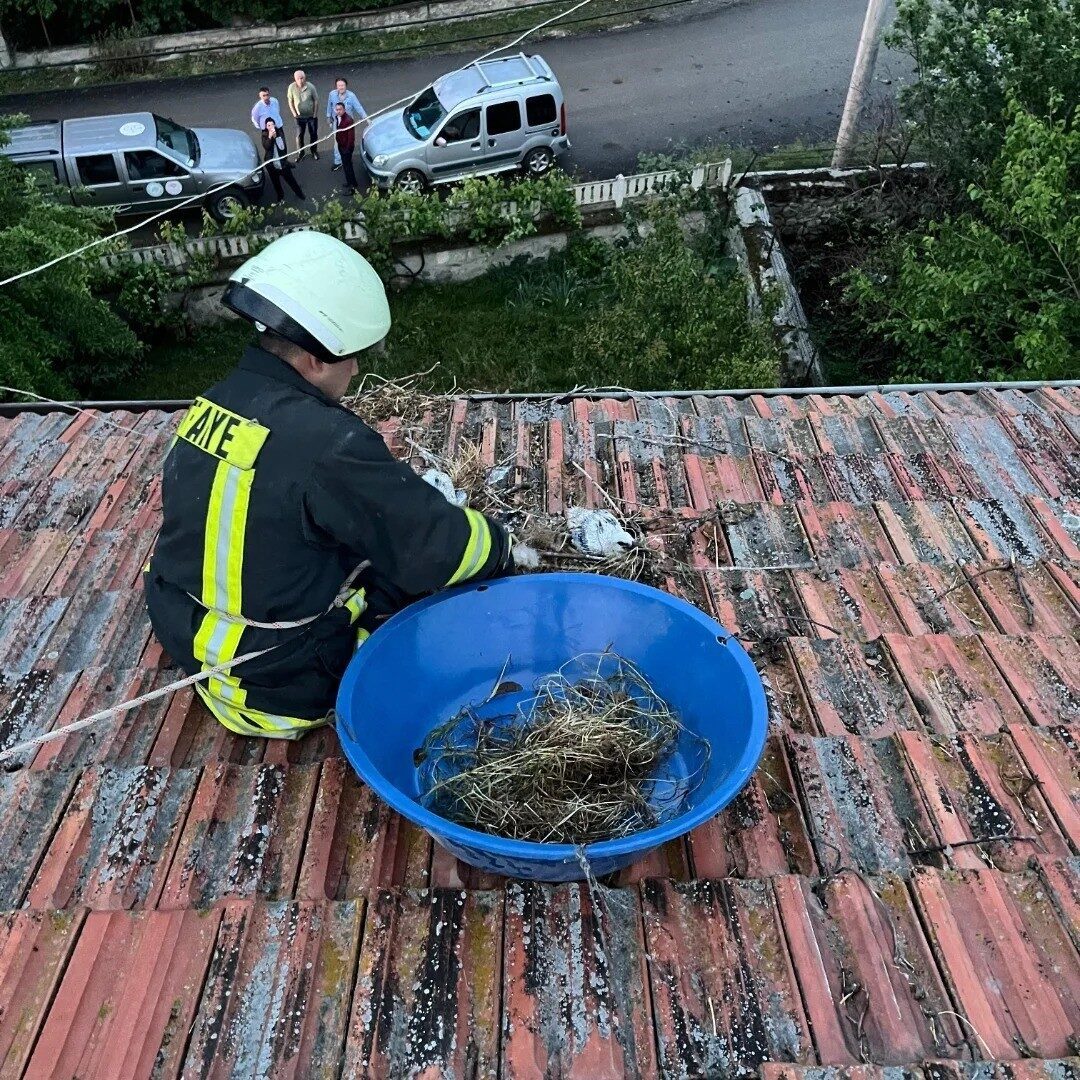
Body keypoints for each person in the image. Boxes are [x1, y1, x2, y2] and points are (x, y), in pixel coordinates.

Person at [144, 232, 534, 739]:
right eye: (351, 356)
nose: (356, 368)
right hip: (281, 686)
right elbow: (436, 546)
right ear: (315, 360)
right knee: (407, 581)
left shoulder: (214, 403)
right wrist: (501, 546)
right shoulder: (330, 445)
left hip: (193, 640)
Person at [261, 119, 307, 203]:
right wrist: (270, 138)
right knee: (276, 183)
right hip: (271, 165)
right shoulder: (264, 135)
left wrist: (276, 138)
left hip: (282, 163)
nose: (271, 127)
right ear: (266, 127)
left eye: (272, 125)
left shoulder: (279, 133)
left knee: (291, 180)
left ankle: (299, 193)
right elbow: (267, 147)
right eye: (269, 125)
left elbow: (282, 148)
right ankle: (280, 197)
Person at [325, 76, 366, 171]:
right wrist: (328, 116)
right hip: (337, 122)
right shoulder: (332, 94)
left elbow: (359, 108)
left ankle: (347, 158)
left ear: (346, 86)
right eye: (339, 85)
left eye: (342, 85)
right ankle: (338, 161)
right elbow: (329, 105)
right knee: (337, 142)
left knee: (349, 141)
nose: (341, 87)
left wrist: (366, 119)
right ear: (336, 86)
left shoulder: (351, 96)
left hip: (348, 123)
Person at [287, 69, 319, 162]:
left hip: (311, 117)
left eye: (302, 78)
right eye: (298, 78)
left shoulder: (311, 87)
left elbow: (316, 100)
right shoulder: (291, 87)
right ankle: (301, 153)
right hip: (299, 117)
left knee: (313, 134)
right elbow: (290, 101)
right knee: (299, 136)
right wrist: (294, 113)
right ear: (295, 79)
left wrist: (315, 114)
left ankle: (314, 151)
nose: (301, 80)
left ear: (305, 78)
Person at [334, 101, 359, 193]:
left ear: (344, 109)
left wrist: (347, 149)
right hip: (341, 146)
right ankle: (351, 182)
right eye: (337, 110)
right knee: (346, 166)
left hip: (346, 148)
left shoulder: (348, 120)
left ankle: (352, 188)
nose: (338, 111)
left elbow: (351, 137)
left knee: (348, 167)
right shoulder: (338, 118)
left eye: (340, 109)